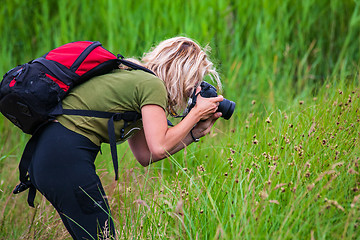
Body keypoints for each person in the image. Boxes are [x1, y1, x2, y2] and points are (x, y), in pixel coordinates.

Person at [27, 36, 224, 239]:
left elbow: (145, 155)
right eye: (194, 82)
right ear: (181, 74)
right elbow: (159, 146)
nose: (192, 91)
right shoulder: (152, 85)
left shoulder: (138, 81)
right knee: (103, 237)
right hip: (64, 159)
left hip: (48, 157)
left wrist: (194, 133)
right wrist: (196, 114)